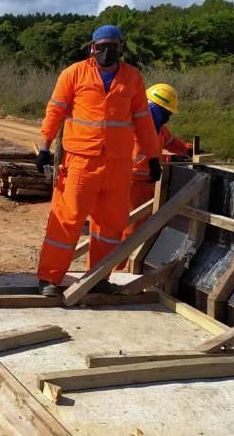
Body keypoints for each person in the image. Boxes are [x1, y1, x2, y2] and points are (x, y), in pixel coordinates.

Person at [35, 25, 161, 296]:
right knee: (68, 221)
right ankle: (50, 278)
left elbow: (144, 121)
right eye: (102, 46)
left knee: (111, 225)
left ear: (122, 47)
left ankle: (100, 277)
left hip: (118, 165)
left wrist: (153, 157)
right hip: (81, 162)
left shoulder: (132, 78)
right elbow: (55, 110)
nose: (107, 51)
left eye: (113, 46)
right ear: (92, 47)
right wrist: (44, 145)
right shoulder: (74, 74)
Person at [90, 83, 192, 270]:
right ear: (151, 106)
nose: (167, 117)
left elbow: (171, 142)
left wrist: (187, 150)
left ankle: (125, 267)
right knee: (127, 231)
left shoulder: (159, 129)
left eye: (168, 113)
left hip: (149, 185)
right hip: (129, 184)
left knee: (141, 230)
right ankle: (113, 271)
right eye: (164, 112)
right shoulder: (129, 123)